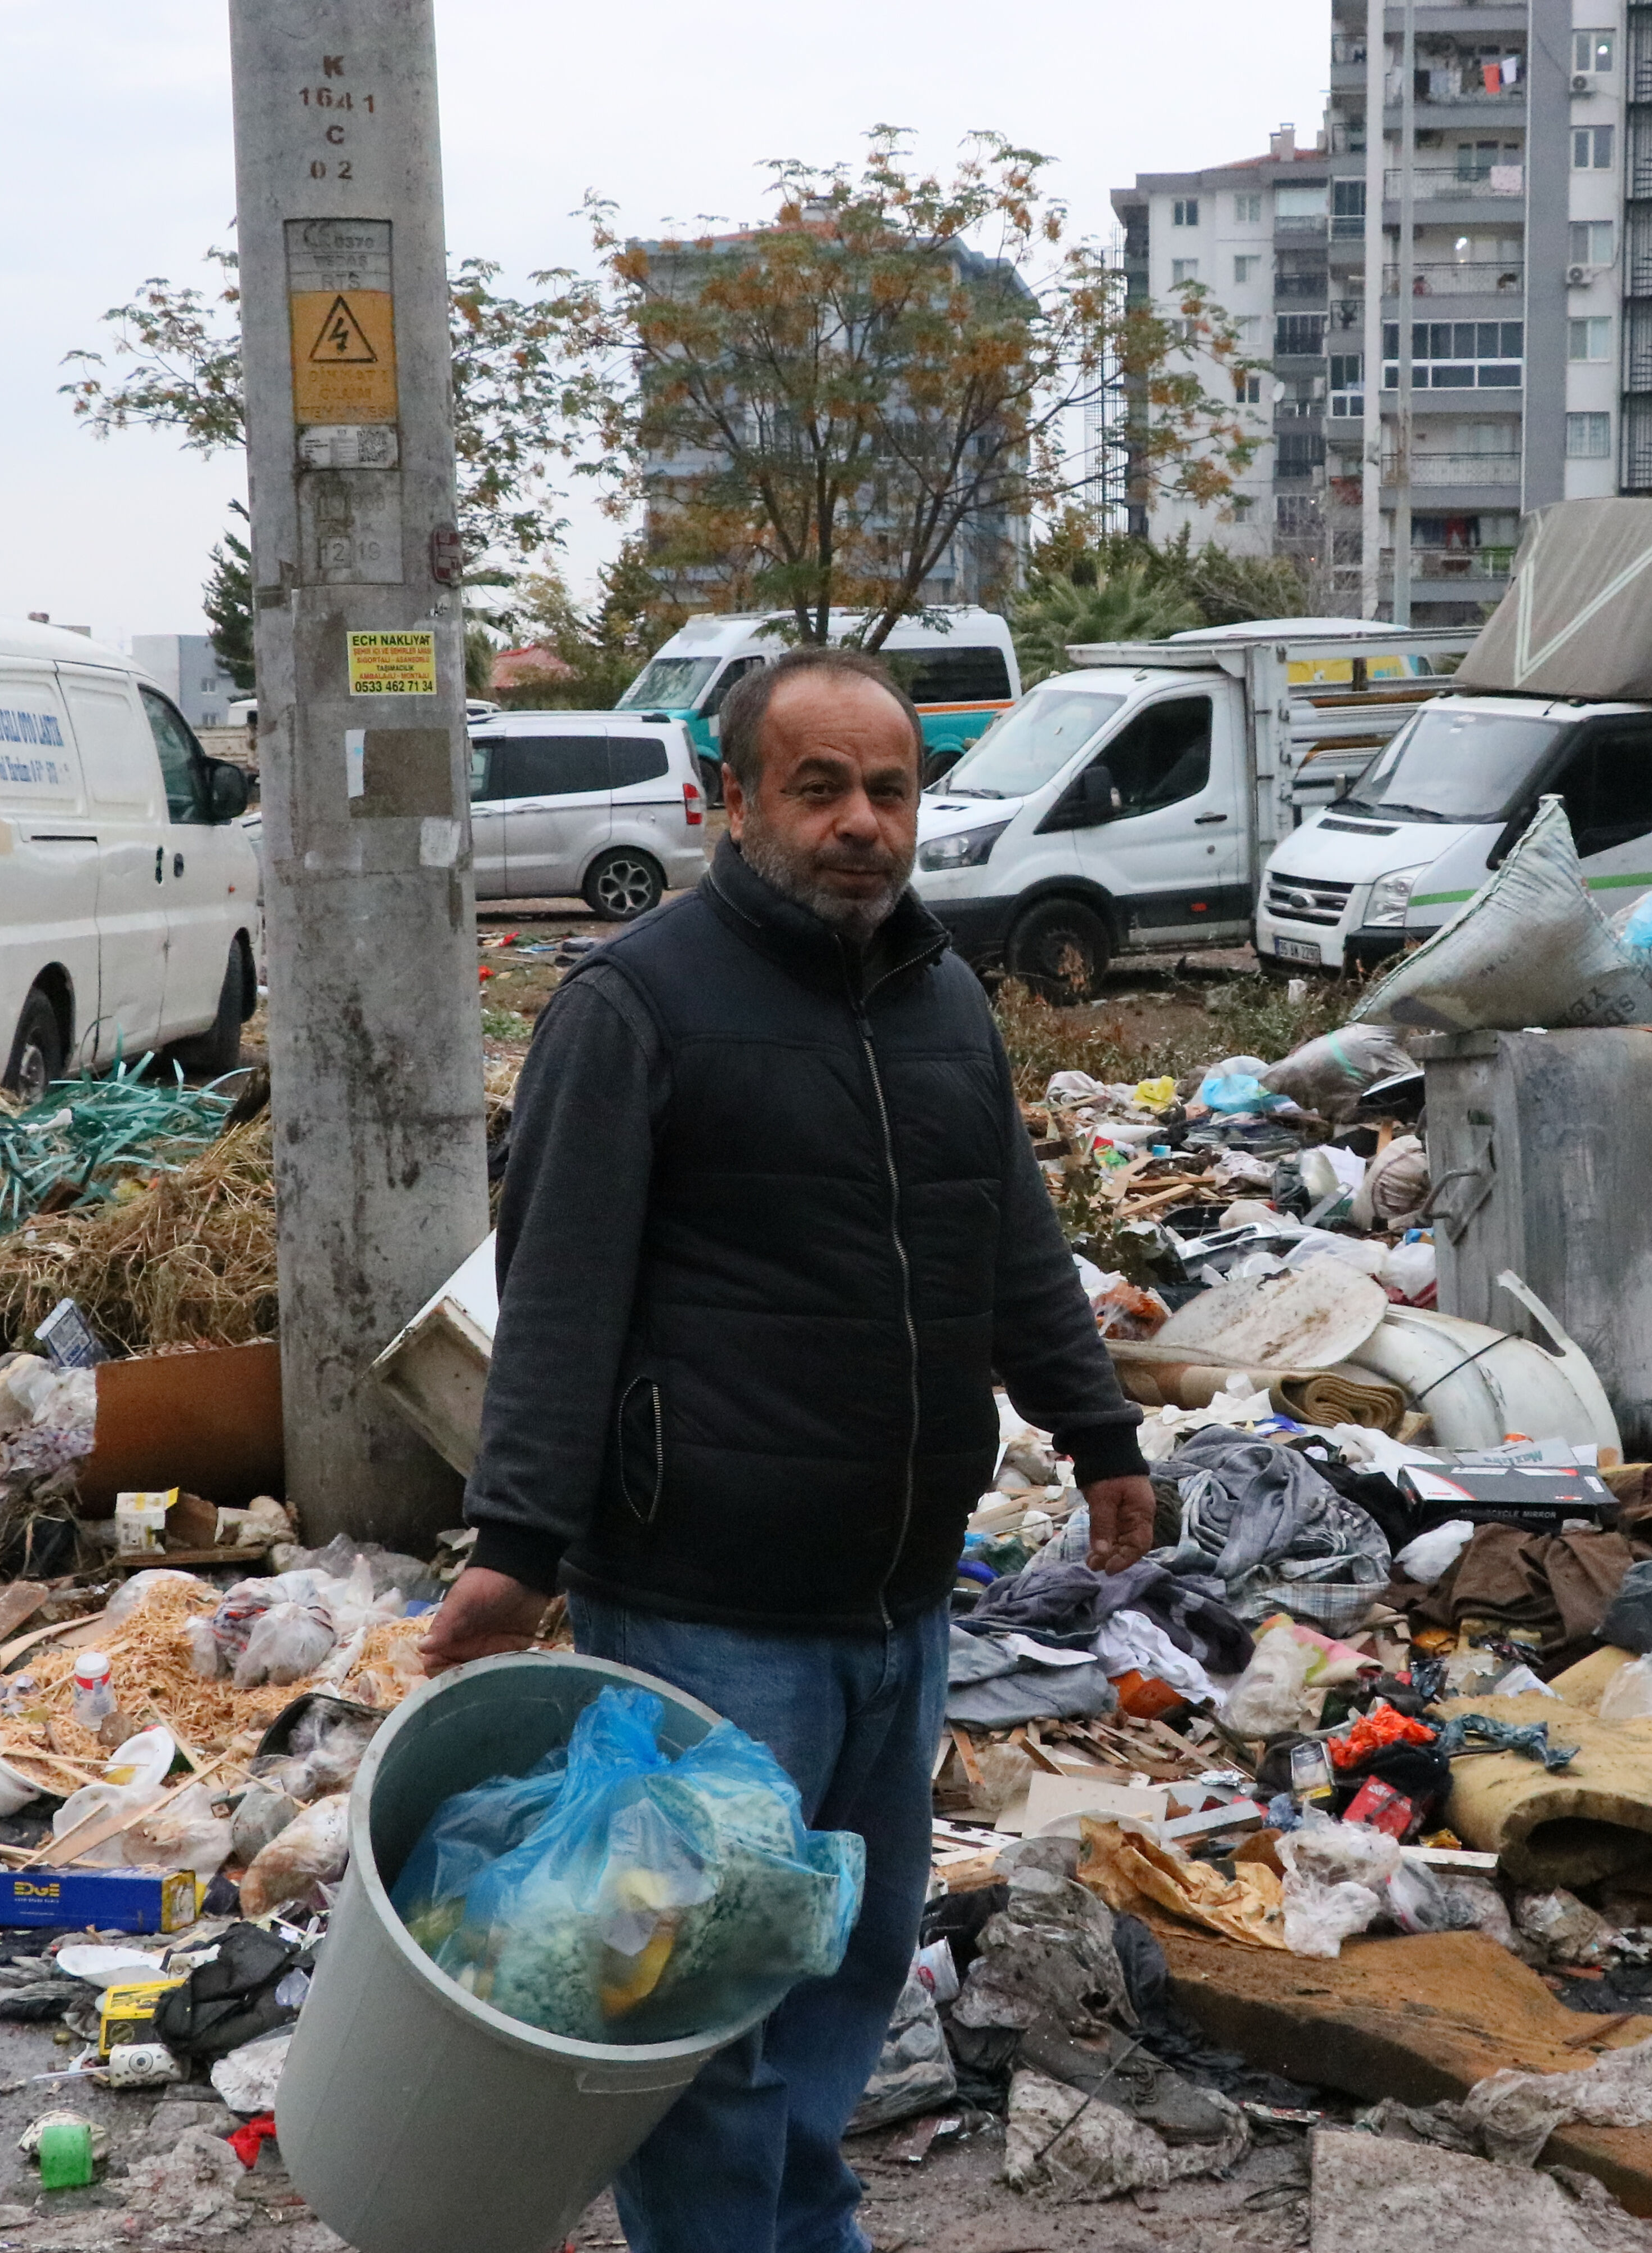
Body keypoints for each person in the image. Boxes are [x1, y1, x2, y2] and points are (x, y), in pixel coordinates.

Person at [421, 644, 1157, 2253]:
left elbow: (1008, 1233)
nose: (860, 823)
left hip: (896, 1602)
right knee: (704, 2012)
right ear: (734, 799)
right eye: (817, 788)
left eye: (888, 789)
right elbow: (560, 1296)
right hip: (703, 1608)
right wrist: (515, 1553)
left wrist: (1095, 1427)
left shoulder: (943, 994)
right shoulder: (637, 1007)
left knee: (841, 1971)